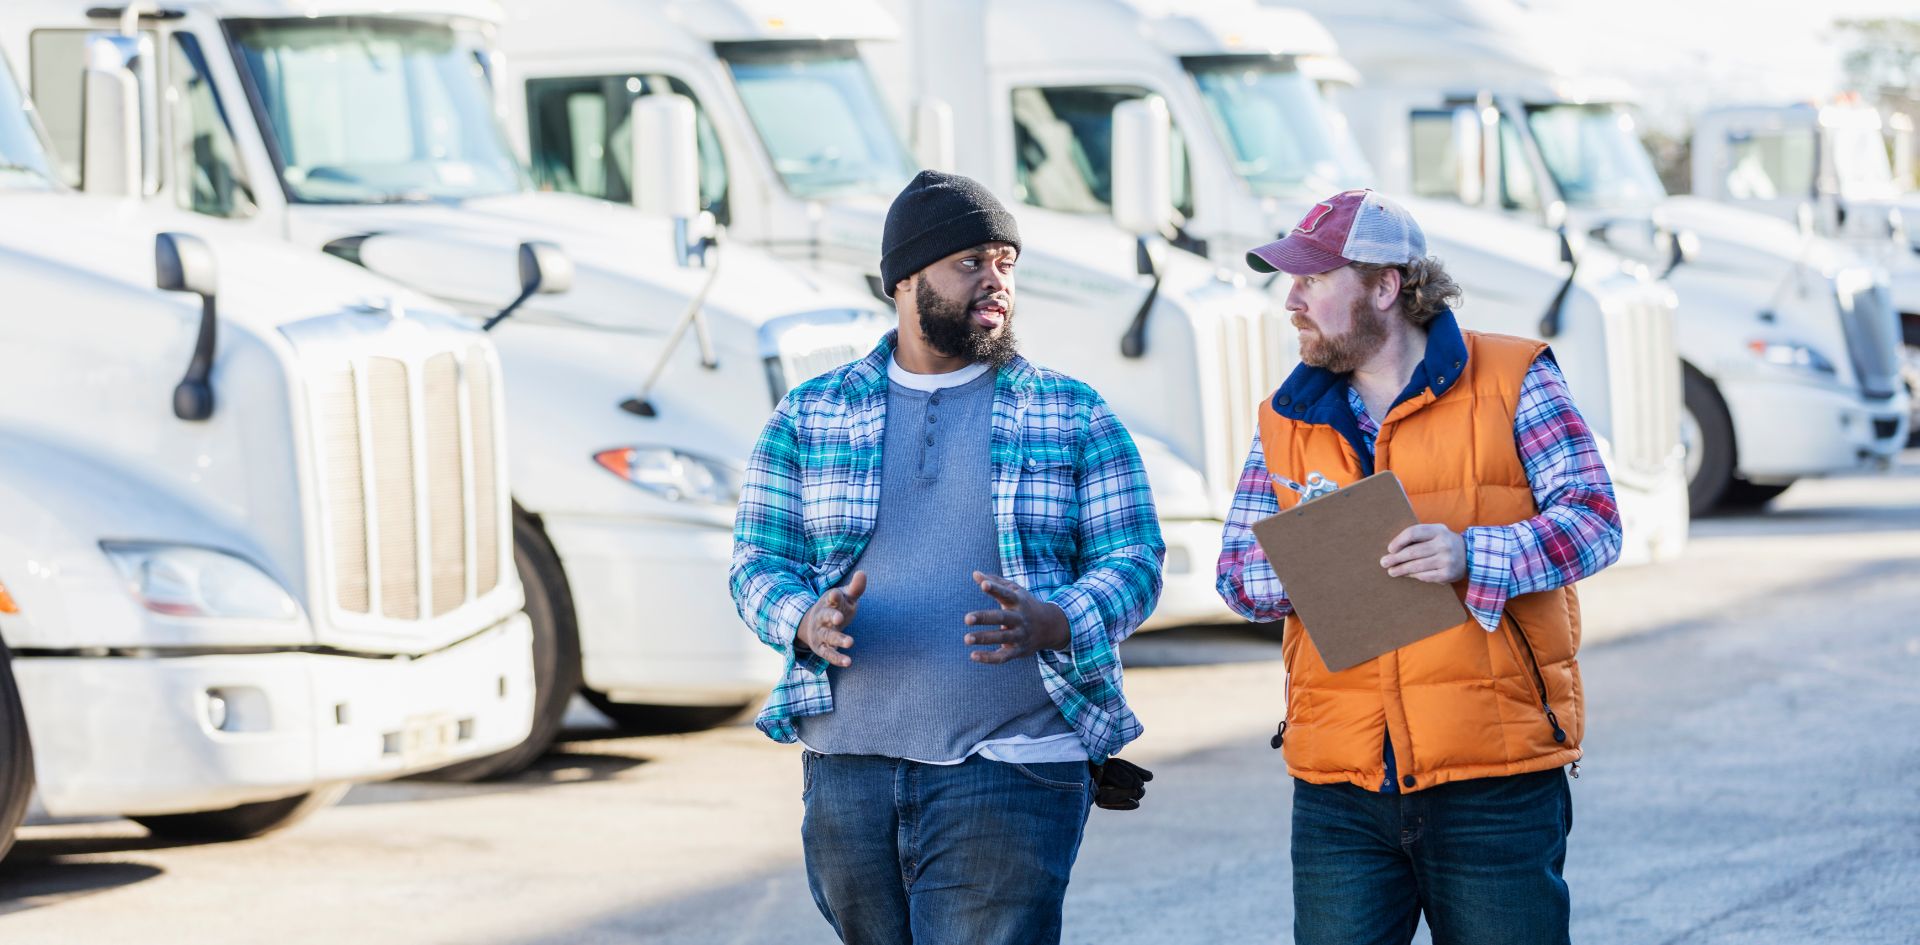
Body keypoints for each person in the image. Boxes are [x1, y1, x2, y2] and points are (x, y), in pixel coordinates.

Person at [729, 170, 1164, 945]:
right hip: (847, 769)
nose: (995, 281)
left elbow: (1133, 559)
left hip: (1013, 765)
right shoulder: (810, 412)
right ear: (905, 280)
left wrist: (1059, 618)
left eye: (1005, 262)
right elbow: (757, 563)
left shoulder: (1071, 411)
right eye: (970, 262)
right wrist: (803, 618)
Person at [1215, 189, 1623, 945]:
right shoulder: (1284, 415)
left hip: (1494, 777)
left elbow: (1596, 522)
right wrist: (1326, 562)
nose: (1291, 300)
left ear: (1385, 284)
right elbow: (1237, 571)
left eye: (1312, 279)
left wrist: (1473, 554)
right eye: (1290, 281)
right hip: (1341, 786)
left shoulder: (1514, 377)